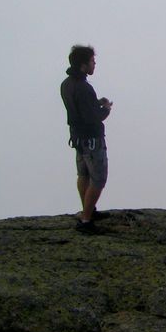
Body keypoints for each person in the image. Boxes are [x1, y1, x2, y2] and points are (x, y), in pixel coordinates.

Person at [60, 45, 113, 233]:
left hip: (78, 139)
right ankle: (86, 220)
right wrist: (105, 108)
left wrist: (95, 103)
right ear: (84, 64)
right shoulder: (84, 87)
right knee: (98, 179)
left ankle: (88, 210)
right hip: (92, 140)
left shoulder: (66, 84)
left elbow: (79, 109)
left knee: (83, 175)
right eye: (92, 61)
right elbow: (92, 118)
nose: (94, 64)